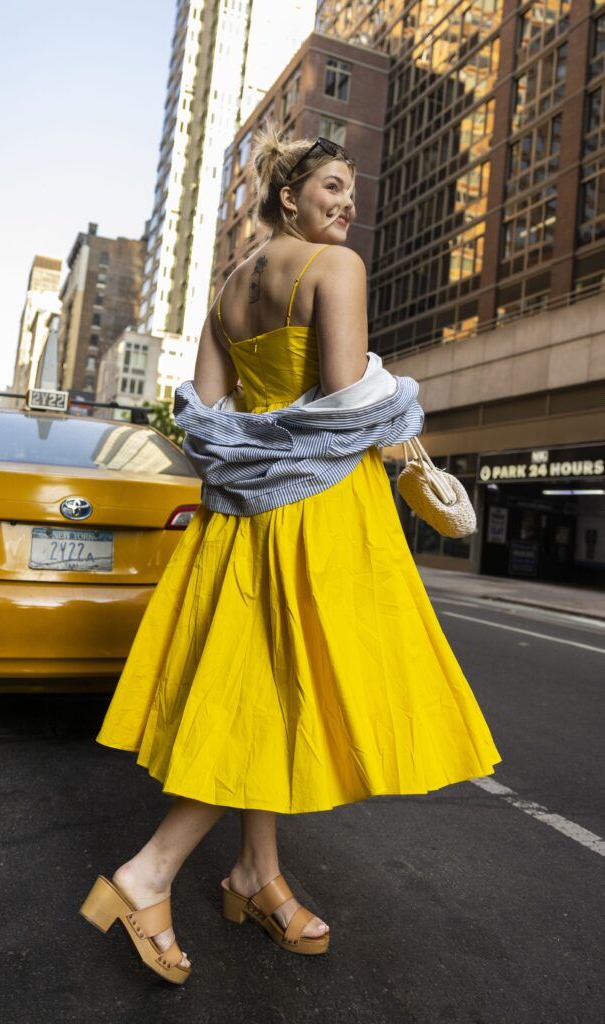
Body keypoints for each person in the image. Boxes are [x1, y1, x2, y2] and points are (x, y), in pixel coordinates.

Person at [80, 124, 502, 985]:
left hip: (238, 519)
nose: (348, 206)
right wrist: (401, 418)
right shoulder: (334, 270)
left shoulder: (225, 294)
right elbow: (348, 407)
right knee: (281, 693)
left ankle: (255, 873)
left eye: (351, 192)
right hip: (319, 518)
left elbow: (201, 424)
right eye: (333, 189)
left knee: (267, 682)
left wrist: (256, 459)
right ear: (289, 197)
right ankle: (146, 874)